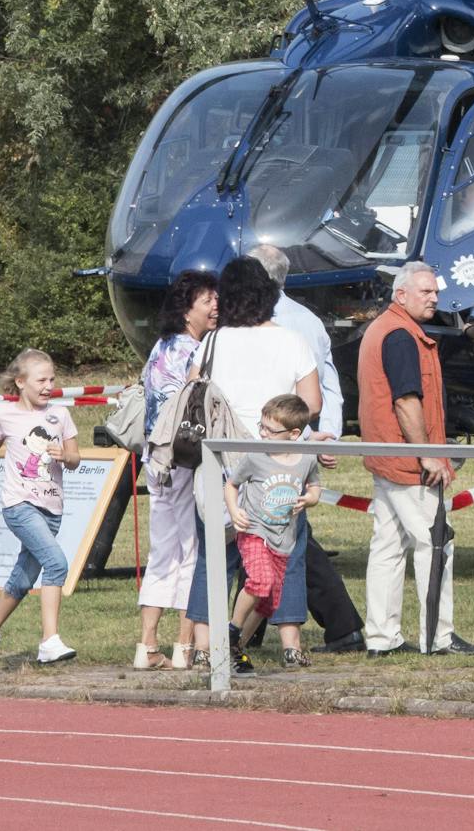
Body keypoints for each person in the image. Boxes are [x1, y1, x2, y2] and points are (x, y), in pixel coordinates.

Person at [182, 256, 321, 670]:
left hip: (220, 457)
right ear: (269, 294)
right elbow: (312, 404)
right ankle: (290, 642)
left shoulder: (213, 342)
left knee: (214, 555)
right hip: (273, 457)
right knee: (286, 551)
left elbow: (192, 392)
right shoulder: (292, 341)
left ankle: (204, 646)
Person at [358, 262, 474, 656]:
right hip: (407, 463)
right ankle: (438, 637)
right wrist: (428, 454)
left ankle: (382, 638)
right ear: (401, 295)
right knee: (436, 542)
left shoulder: (385, 328)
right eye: (426, 292)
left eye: (435, 291)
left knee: (388, 546)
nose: (434, 298)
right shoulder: (400, 335)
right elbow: (406, 401)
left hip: (387, 455)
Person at [245, 244, 365, 653]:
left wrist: (321, 436)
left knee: (277, 537)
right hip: (290, 439)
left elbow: (316, 386)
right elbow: (329, 382)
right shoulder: (306, 319)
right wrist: (326, 434)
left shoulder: (273, 324)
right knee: (279, 535)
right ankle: (339, 627)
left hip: (276, 441)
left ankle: (251, 632)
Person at [0, 349, 82, 670]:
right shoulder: (5, 414)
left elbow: (75, 459)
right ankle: (49, 641)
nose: (48, 386)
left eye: (52, 379)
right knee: (56, 563)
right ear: (21, 382)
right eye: (41, 380)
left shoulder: (61, 415)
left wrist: (64, 456)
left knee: (23, 580)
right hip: (19, 505)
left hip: (51, 509)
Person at [134, 270, 217, 669]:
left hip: (155, 457)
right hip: (183, 457)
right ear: (187, 310)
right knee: (191, 549)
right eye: (207, 301)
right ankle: (184, 646)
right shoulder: (194, 352)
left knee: (162, 551)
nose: (216, 306)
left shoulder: (160, 346)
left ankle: (147, 644)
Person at [225, 394, 321, 668]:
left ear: (294, 434)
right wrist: (234, 510)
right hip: (254, 531)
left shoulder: (306, 459)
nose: (263, 433)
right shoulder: (256, 456)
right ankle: (232, 630)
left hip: (283, 539)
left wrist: (310, 499)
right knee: (260, 581)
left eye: (270, 430)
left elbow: (315, 486)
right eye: (262, 426)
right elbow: (231, 484)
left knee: (268, 602)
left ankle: (235, 649)